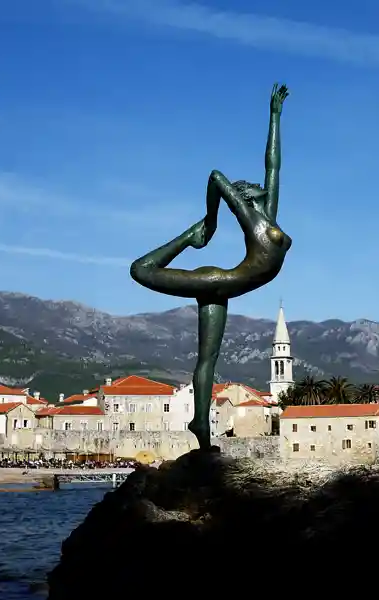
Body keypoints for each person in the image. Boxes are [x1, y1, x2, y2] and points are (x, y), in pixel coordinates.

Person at [130, 84, 291, 450]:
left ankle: (200, 426)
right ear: (246, 197)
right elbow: (217, 176)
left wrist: (275, 116)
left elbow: (273, 164)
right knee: (140, 270)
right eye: (249, 187)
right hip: (218, 279)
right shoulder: (251, 216)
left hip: (224, 287)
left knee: (208, 359)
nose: (255, 185)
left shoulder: (269, 216)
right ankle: (187, 237)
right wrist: (210, 222)